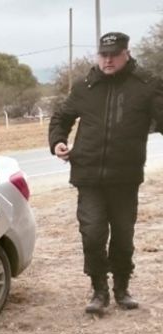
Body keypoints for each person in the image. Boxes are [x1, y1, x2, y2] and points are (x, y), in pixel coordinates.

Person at [49, 31, 163, 315]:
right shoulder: (84, 86)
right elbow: (61, 118)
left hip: (125, 178)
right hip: (88, 176)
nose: (108, 60)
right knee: (92, 233)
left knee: (123, 235)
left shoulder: (147, 85)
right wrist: (58, 141)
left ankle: (122, 288)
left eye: (113, 55)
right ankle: (99, 290)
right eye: (103, 55)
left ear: (127, 54)